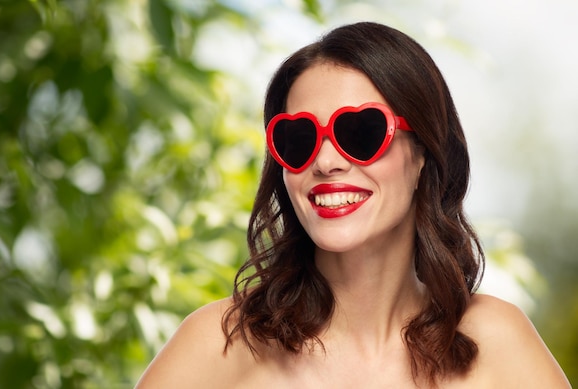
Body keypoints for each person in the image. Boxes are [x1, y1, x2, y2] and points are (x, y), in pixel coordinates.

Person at [135, 21, 570, 388]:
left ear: (422, 153)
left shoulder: (498, 345)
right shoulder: (219, 345)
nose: (325, 162)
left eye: (358, 133)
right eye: (299, 139)